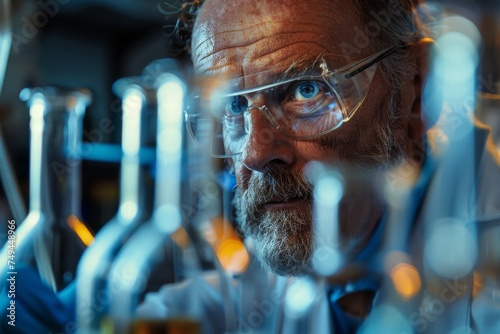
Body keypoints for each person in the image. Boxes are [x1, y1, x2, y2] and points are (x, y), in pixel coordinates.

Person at [2, 0, 500, 333]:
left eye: (307, 90)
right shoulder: (257, 286)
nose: (257, 153)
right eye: (232, 108)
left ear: (416, 88)